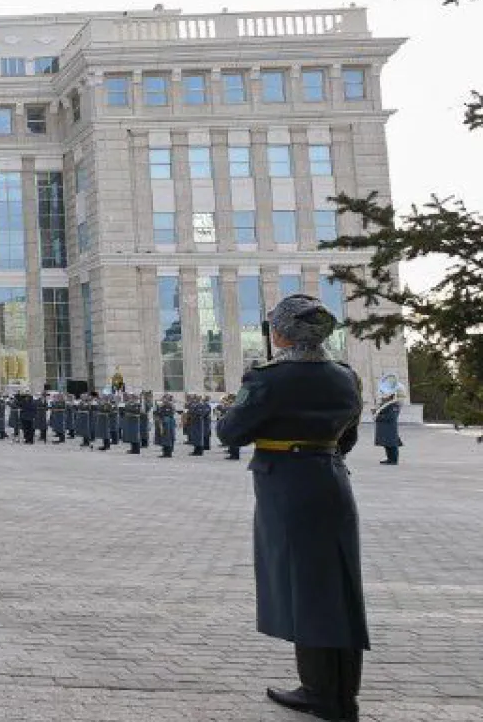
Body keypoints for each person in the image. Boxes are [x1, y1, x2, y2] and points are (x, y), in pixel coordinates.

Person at [216, 294, 368, 722]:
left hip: (287, 487)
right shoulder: (345, 375)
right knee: (338, 589)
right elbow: (349, 436)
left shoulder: (270, 378)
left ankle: (321, 694)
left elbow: (231, 433)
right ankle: (341, 694)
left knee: (307, 590)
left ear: (281, 333)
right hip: (332, 480)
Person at [373, 375, 403, 465]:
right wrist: (376, 412)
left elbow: (391, 417)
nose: (383, 396)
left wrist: (378, 417)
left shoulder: (394, 405)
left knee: (392, 444)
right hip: (385, 428)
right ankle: (389, 459)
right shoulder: (386, 404)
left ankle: (393, 460)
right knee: (387, 444)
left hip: (390, 428)